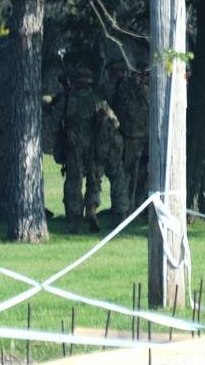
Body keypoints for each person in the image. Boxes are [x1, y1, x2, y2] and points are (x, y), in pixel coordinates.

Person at [52, 65, 121, 234]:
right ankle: (91, 210)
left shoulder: (67, 100)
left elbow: (54, 125)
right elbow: (115, 123)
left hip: (73, 146)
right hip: (95, 147)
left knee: (74, 182)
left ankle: (77, 223)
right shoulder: (98, 100)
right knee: (94, 180)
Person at [99, 59, 149, 225]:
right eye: (139, 75)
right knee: (121, 176)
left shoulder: (146, 93)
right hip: (121, 139)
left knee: (138, 177)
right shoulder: (120, 88)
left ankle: (133, 209)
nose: (141, 79)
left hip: (141, 141)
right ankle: (121, 212)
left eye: (144, 76)